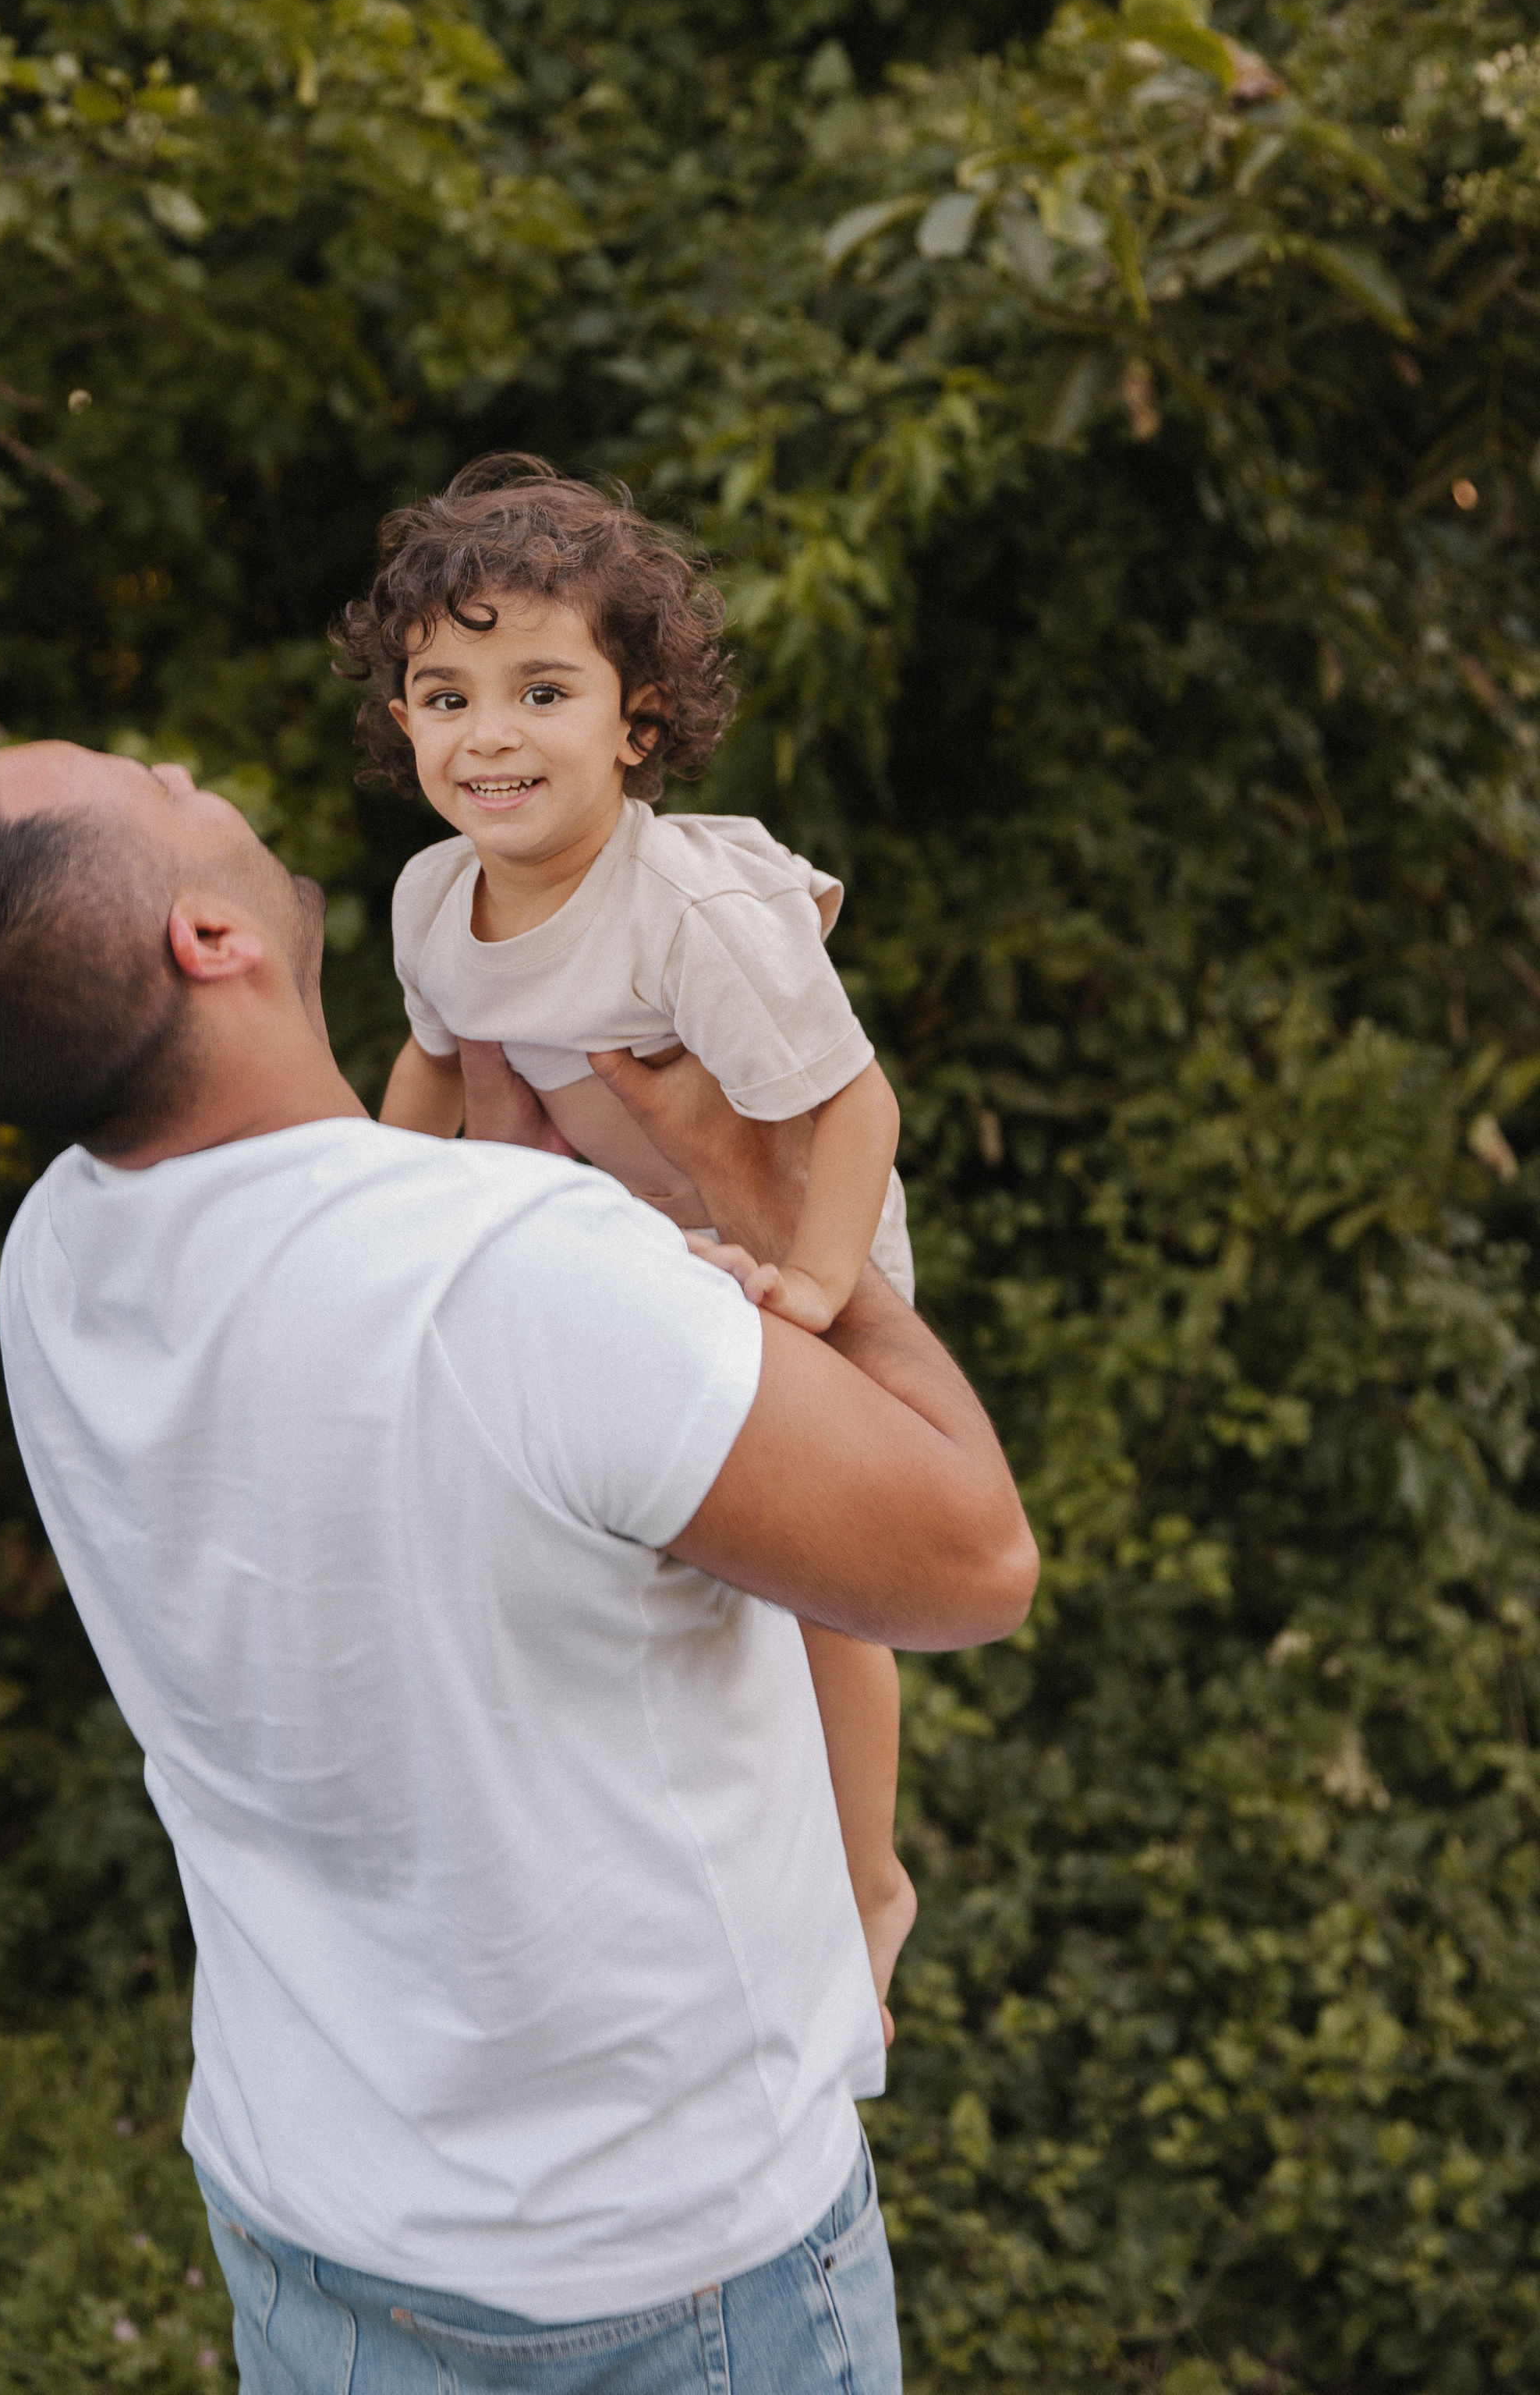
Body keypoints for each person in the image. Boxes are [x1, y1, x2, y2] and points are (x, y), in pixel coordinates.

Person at [0, 737, 1036, 2393]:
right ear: (211, 937)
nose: (187, 767)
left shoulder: (58, 1251)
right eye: (156, 784)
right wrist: (768, 1199)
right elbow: (975, 1558)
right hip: (668, 2276)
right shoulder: (527, 1279)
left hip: (308, 2226)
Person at [333, 455, 916, 2017]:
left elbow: (854, 1107)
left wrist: (814, 1289)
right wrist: (369, 1228)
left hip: (793, 1234)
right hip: (626, 1256)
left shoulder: (682, 908)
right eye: (445, 696)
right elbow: (433, 1062)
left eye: (541, 691)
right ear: (402, 720)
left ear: (635, 721)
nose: (488, 734)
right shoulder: (427, 896)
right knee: (642, 1553)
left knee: (822, 1576)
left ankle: (867, 1878)